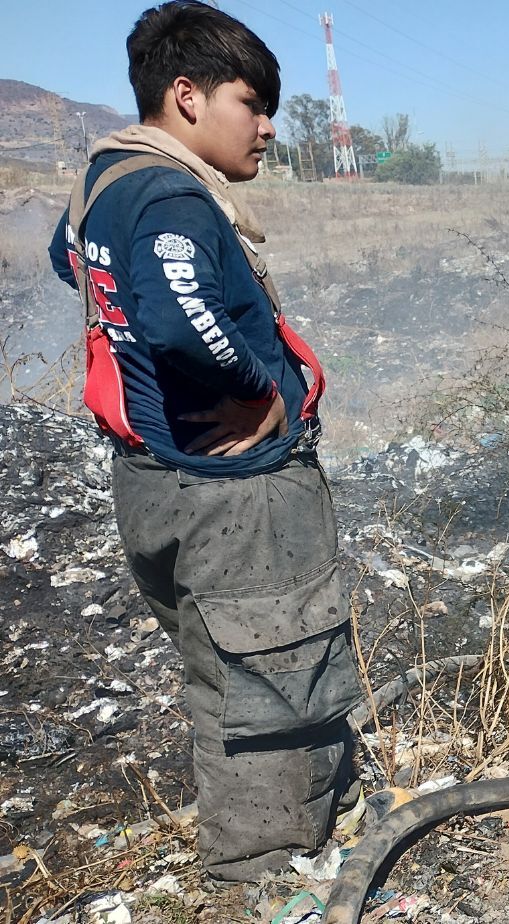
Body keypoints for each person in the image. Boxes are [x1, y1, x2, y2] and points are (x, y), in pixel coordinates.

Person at [47, 0, 361, 883]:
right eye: (251, 104)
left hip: (152, 481)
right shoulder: (172, 194)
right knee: (268, 680)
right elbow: (180, 318)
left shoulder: (105, 181)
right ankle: (262, 872)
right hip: (233, 495)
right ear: (186, 95)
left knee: (221, 673)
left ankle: (283, 840)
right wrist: (258, 393)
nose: (267, 128)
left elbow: (68, 259)